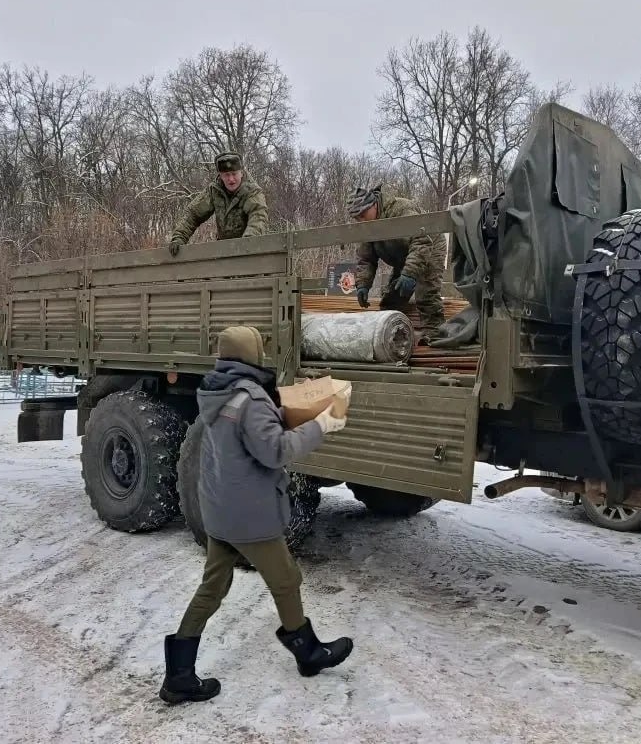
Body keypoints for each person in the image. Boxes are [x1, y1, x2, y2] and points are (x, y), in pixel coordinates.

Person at [159, 326, 353, 704]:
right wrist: (322, 423)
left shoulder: (217, 391)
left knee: (213, 589)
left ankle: (178, 675)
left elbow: (249, 431)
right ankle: (309, 653)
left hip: (221, 510)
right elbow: (276, 451)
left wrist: (289, 409)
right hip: (249, 516)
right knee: (286, 580)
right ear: (253, 355)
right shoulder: (250, 398)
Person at [345, 182, 447, 340]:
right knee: (392, 298)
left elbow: (421, 242)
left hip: (429, 245)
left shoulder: (401, 210)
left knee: (426, 293)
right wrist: (363, 285)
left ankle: (435, 335)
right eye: (357, 218)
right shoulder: (367, 227)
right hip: (404, 254)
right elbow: (366, 259)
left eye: (363, 215)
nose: (361, 220)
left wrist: (410, 273)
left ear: (373, 205)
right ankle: (390, 333)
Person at [168, 152, 269, 255]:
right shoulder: (214, 191)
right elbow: (193, 214)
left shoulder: (252, 192)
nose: (231, 179)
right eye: (226, 175)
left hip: (250, 250)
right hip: (224, 250)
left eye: (234, 174)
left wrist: (248, 241)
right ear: (220, 176)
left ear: (241, 173)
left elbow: (258, 216)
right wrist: (179, 237)